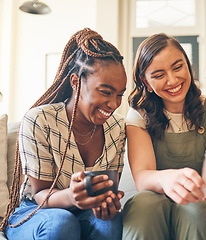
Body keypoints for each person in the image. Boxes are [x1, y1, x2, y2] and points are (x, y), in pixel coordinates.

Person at [0, 28, 127, 240]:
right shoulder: (39, 120)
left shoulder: (117, 127)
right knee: (61, 223)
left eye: (120, 95)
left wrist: (107, 202)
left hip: (85, 213)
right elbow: (40, 194)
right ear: (76, 82)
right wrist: (71, 196)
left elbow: (107, 188)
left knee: (110, 222)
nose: (114, 104)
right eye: (105, 92)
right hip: (36, 211)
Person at [122, 33, 206, 240]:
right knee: (145, 203)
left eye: (177, 67)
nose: (173, 80)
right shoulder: (138, 115)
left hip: (201, 205)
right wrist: (167, 178)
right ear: (145, 82)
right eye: (158, 75)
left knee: (195, 208)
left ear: (188, 65)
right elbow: (143, 178)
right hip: (153, 205)